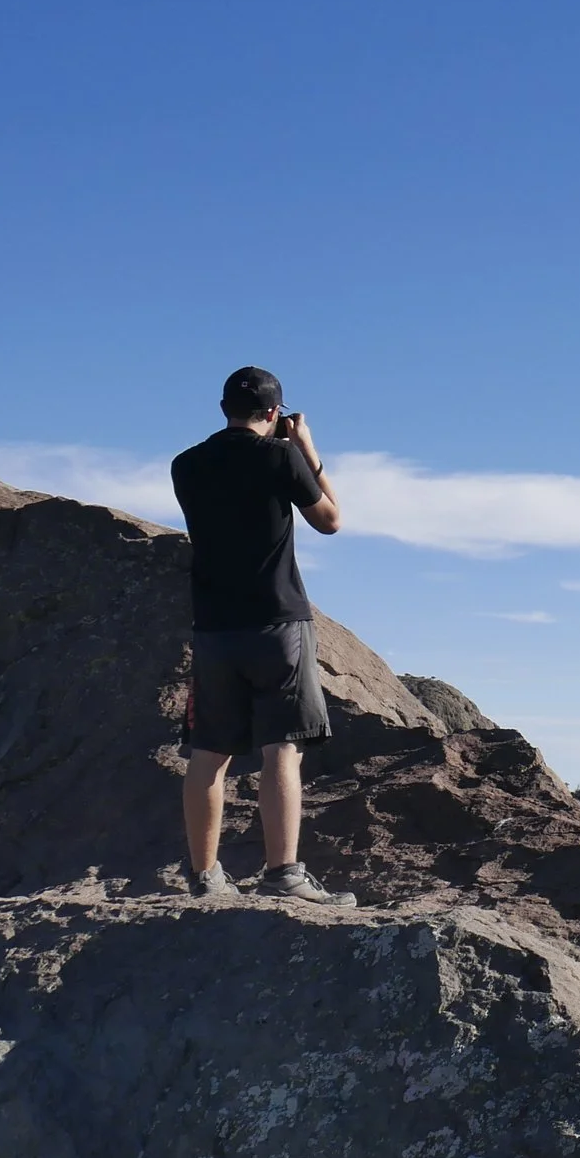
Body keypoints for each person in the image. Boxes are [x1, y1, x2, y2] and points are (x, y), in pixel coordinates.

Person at [169, 366, 357, 905]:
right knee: (282, 750)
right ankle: (283, 875)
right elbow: (331, 520)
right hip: (277, 623)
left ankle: (205, 879)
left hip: (213, 627)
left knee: (208, 753)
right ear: (274, 412)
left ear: (222, 406)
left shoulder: (186, 465)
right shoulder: (280, 457)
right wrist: (308, 450)